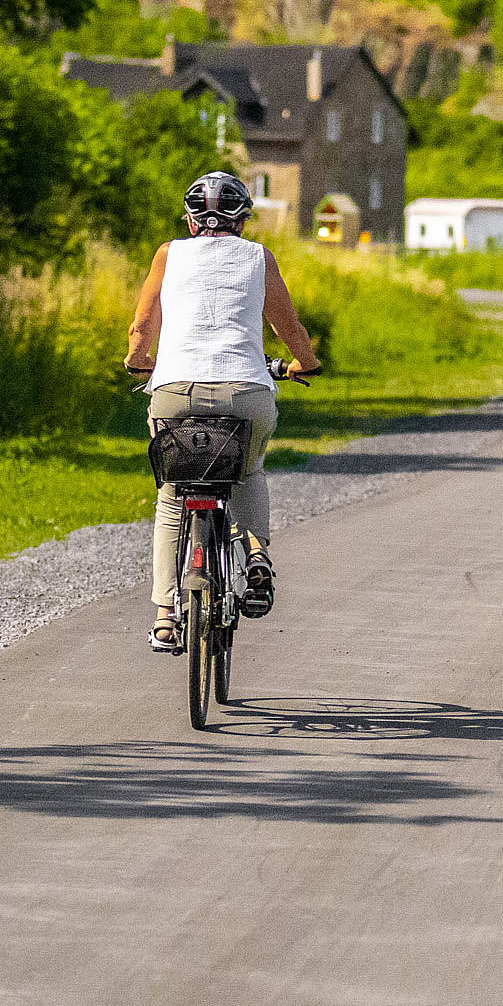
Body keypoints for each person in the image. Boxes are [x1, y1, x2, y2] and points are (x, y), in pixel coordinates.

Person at [123, 170, 322, 654]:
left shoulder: (168, 255)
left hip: (175, 391)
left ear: (191, 221)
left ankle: (166, 616)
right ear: (243, 220)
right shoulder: (259, 257)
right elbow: (285, 324)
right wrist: (306, 361)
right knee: (249, 470)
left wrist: (136, 358)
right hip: (246, 394)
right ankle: (255, 556)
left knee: (173, 494)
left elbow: (144, 320)